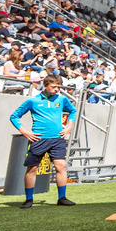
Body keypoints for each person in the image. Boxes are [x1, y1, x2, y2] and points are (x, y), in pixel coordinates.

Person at [10, 75, 77, 208]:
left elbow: (73, 111)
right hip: (39, 139)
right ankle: (29, 199)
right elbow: (14, 116)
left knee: (61, 167)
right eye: (54, 87)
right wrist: (25, 132)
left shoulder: (62, 99)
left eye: (58, 87)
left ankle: (61, 198)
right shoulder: (33, 101)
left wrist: (68, 127)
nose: (57, 89)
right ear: (45, 85)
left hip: (57, 139)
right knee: (32, 169)